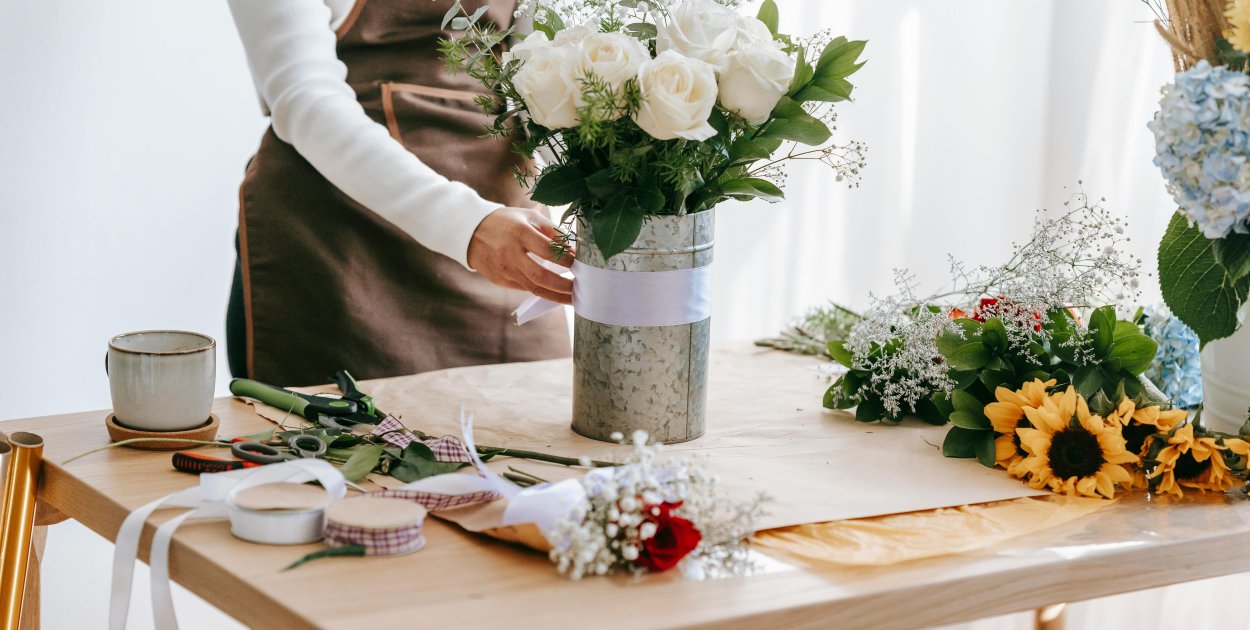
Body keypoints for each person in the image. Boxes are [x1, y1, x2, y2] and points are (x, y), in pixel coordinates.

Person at [224, 0, 572, 386]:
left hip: (506, 240)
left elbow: (538, 77)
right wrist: (467, 226)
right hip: (337, 251)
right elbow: (303, 97)